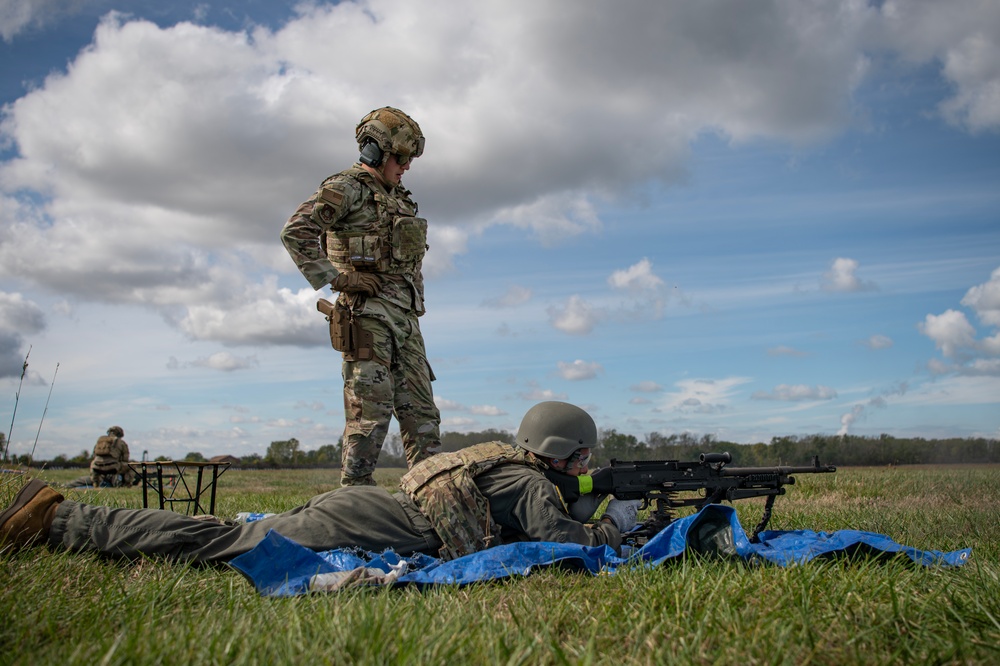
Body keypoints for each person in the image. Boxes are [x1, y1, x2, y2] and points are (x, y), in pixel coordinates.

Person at [1, 402, 641, 563]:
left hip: (366, 505)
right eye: (582, 459)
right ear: (561, 453)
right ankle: (60, 519)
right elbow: (564, 544)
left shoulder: (502, 461)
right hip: (365, 522)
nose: (585, 470)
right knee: (223, 541)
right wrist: (622, 524)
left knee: (229, 534)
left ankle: (64, 518)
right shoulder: (531, 484)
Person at [280, 106, 442, 487]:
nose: (406, 167)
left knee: (422, 415)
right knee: (370, 414)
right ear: (376, 152)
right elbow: (296, 231)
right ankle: (354, 501)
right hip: (367, 318)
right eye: (400, 158)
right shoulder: (347, 188)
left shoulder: (399, 197)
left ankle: (432, 495)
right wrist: (338, 278)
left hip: (405, 320)